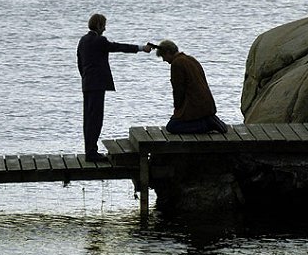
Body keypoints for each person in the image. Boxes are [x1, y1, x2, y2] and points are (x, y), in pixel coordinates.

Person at [77, 13, 152, 162]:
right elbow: (118, 47)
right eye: (104, 25)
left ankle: (89, 150)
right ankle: (92, 153)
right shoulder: (100, 41)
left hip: (87, 83)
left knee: (88, 118)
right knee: (96, 119)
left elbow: (79, 61)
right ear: (99, 25)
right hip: (97, 85)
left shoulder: (83, 40)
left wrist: (85, 77)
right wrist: (141, 48)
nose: (105, 28)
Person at [154, 40, 227, 134]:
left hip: (195, 105)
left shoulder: (177, 63)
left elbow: (178, 90)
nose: (164, 60)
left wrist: (177, 110)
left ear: (168, 52)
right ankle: (210, 121)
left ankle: (207, 125)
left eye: (163, 56)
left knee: (172, 127)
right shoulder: (191, 59)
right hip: (207, 105)